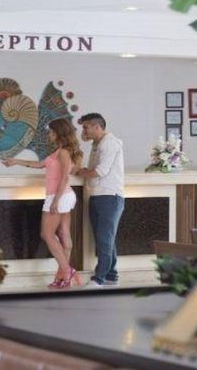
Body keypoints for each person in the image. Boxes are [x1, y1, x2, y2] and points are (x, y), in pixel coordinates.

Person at [4, 118, 83, 289]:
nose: (49, 135)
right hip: (61, 196)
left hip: (59, 196)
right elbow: (40, 164)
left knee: (47, 234)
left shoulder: (63, 152)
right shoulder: (58, 151)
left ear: (58, 133)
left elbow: (65, 178)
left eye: (51, 132)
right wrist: (16, 161)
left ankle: (67, 271)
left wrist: (55, 200)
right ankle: (62, 278)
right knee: (63, 235)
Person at [76, 113, 124, 287]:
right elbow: (94, 170)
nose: (83, 131)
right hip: (97, 195)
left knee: (104, 239)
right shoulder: (97, 144)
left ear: (97, 127)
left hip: (109, 197)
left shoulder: (109, 143)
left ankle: (99, 279)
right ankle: (111, 275)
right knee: (105, 239)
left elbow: (100, 171)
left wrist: (81, 172)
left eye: (86, 127)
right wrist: (84, 171)